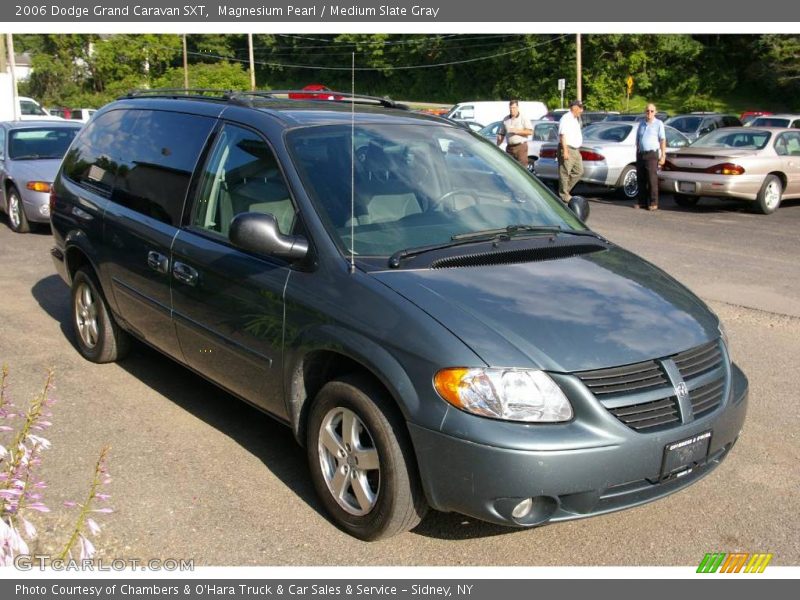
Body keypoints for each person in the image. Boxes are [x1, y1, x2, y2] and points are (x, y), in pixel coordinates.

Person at [635, 103, 667, 210]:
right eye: (647, 111)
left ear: (655, 112)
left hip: (652, 154)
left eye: (652, 111)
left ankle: (653, 203)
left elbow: (662, 140)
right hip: (641, 153)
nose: (649, 113)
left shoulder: (659, 124)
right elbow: (638, 139)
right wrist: (638, 150)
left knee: (651, 179)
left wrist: (663, 155)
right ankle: (642, 202)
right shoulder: (641, 124)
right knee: (641, 179)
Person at [558, 99, 584, 203]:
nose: (581, 111)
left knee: (579, 171)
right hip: (567, 147)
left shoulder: (575, 119)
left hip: (575, 149)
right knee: (565, 172)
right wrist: (565, 150)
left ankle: (564, 191)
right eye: (580, 108)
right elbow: (562, 135)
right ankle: (563, 195)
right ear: (574, 108)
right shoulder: (566, 118)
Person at [497, 99, 532, 168]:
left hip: (520, 147)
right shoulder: (505, 119)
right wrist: (497, 145)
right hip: (510, 148)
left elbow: (530, 132)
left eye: (513, 108)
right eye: (510, 108)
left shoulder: (523, 118)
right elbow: (501, 134)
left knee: (522, 169)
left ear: (517, 107)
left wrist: (517, 131)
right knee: (509, 168)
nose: (512, 110)